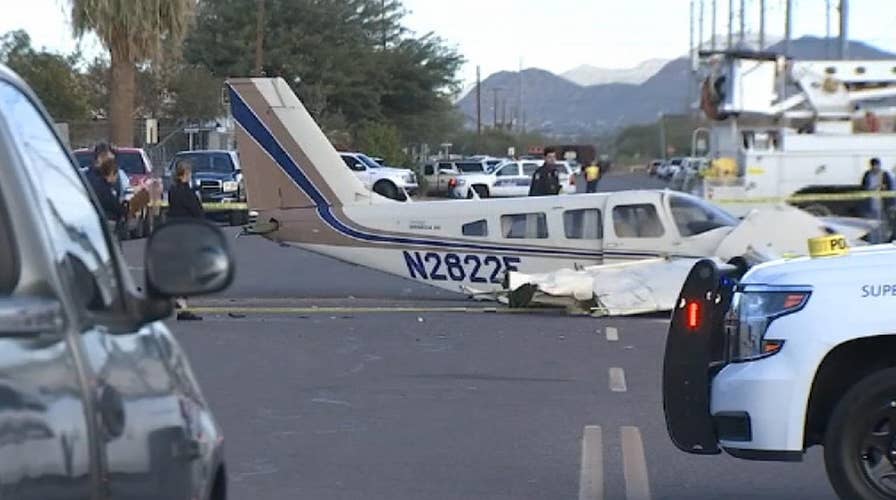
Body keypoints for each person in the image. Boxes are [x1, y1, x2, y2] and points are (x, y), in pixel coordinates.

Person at [167, 160, 205, 320]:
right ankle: (182, 304)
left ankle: (178, 299)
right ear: (186, 174)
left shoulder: (173, 191)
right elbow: (198, 212)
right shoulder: (188, 193)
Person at [861, 157, 895, 243]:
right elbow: (863, 187)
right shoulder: (867, 175)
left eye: (877, 165)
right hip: (871, 204)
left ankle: (883, 240)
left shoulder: (884, 174)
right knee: (872, 224)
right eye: (873, 166)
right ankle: (874, 241)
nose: (875, 167)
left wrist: (891, 204)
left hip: (883, 204)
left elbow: (889, 189)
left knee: (884, 223)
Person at [85, 155, 125, 224]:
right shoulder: (105, 189)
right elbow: (113, 206)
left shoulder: (100, 184)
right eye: (116, 174)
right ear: (112, 173)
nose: (117, 178)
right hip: (107, 222)